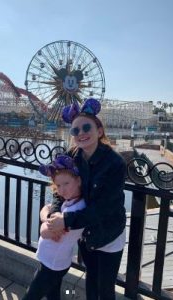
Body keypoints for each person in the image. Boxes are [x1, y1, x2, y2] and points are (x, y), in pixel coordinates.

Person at [44, 98, 127, 300]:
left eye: (86, 127)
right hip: (85, 232)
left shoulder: (115, 163)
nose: (81, 133)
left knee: (105, 289)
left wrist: (67, 221)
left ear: (99, 131)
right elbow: (58, 189)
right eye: (75, 130)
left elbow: (106, 207)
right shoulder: (71, 156)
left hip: (109, 234)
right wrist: (56, 215)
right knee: (91, 280)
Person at [22, 155, 86, 300]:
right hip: (56, 262)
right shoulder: (71, 201)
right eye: (58, 186)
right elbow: (47, 209)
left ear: (78, 180)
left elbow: (44, 232)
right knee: (53, 294)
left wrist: (44, 217)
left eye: (66, 183)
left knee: (30, 296)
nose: (62, 190)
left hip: (52, 265)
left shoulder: (73, 211)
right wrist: (47, 216)